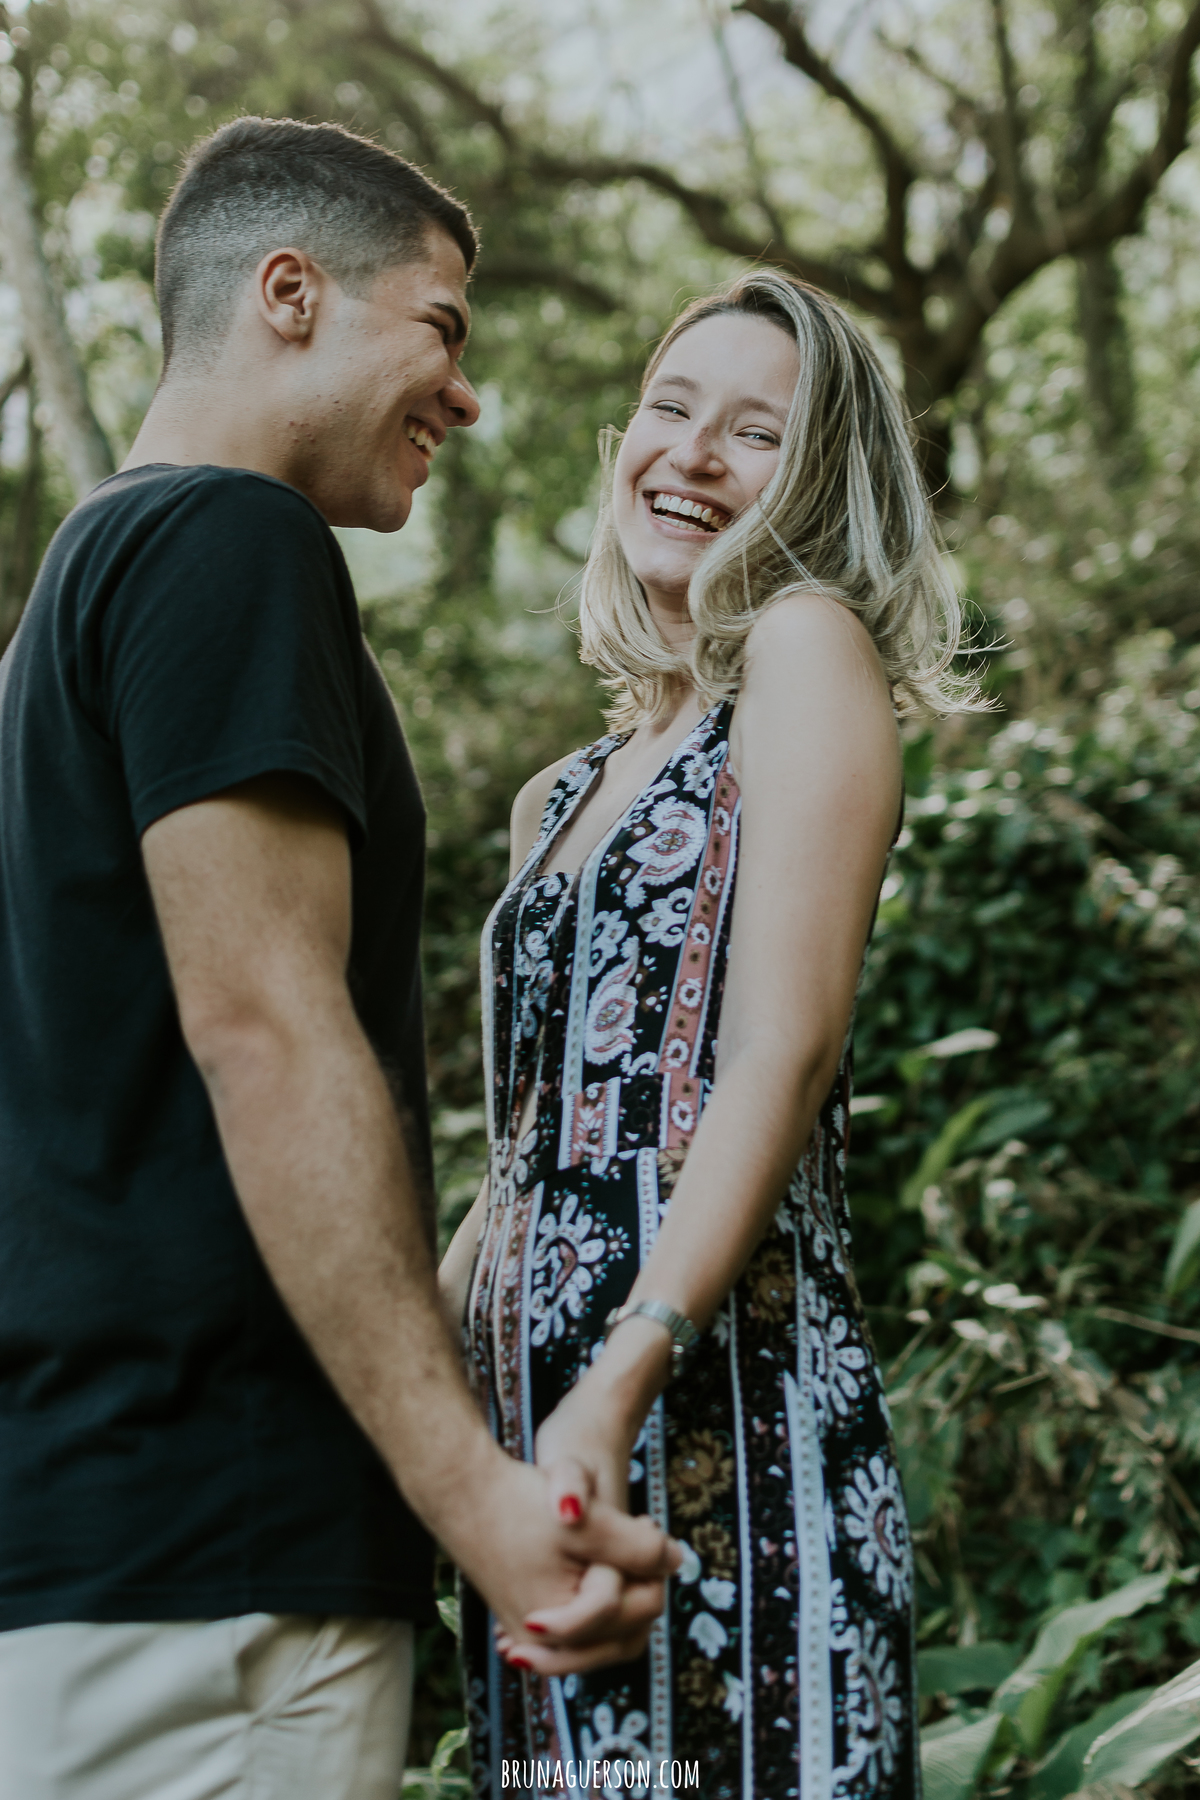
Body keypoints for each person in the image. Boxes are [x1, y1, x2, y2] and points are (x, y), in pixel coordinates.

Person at [0, 117, 676, 1800]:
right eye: (439, 328)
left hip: (105, 1544)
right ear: (287, 294)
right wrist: (479, 1504)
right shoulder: (230, 544)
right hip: (216, 1559)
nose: (465, 395)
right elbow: (270, 1032)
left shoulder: (79, 594)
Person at [441, 269, 974, 1797]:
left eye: (753, 433)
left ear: (814, 483)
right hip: (544, 1485)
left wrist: (622, 1369)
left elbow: (780, 1057)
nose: (690, 455)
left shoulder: (805, 653)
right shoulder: (563, 793)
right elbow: (525, 1161)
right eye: (670, 411)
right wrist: (405, 1398)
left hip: (725, 1440)